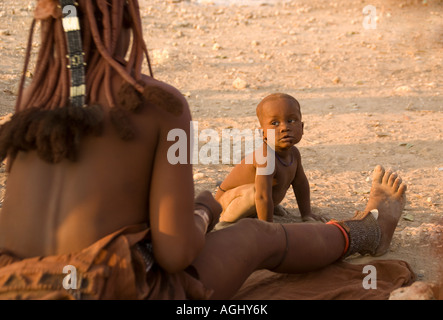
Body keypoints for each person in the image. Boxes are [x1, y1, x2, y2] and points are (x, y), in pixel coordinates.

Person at [0, 0, 407, 300]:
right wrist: (203, 211)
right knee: (255, 236)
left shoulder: (31, 108)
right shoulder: (154, 103)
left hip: (15, 285)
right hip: (110, 288)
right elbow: (175, 254)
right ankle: (370, 231)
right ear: (125, 20)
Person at [214, 93, 324, 229]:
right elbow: (262, 196)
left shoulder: (294, 154)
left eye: (291, 121)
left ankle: (262, 210)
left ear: (302, 127)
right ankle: (225, 223)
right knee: (258, 192)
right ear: (263, 134)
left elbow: (300, 183)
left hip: (255, 199)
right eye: (275, 123)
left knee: (263, 193)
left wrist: (307, 214)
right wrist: (268, 228)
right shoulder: (265, 157)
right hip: (224, 206)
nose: (284, 128)